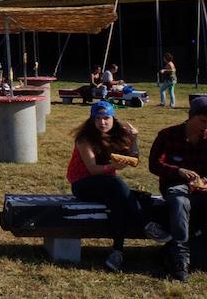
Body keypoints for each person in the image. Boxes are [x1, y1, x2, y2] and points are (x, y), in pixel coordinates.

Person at [66, 101, 170, 272]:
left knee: (119, 201)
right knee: (116, 184)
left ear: (113, 118)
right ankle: (145, 224)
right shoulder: (84, 139)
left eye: (106, 118)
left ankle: (117, 252)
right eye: (97, 118)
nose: (102, 122)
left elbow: (134, 158)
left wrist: (134, 139)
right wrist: (114, 167)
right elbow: (93, 170)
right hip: (83, 184)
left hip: (108, 186)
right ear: (91, 120)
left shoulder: (115, 136)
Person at [148, 96, 207, 282]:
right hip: (174, 186)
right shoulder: (168, 135)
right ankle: (181, 259)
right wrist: (179, 171)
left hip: (202, 190)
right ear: (190, 117)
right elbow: (154, 165)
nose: (205, 127)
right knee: (180, 201)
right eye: (203, 121)